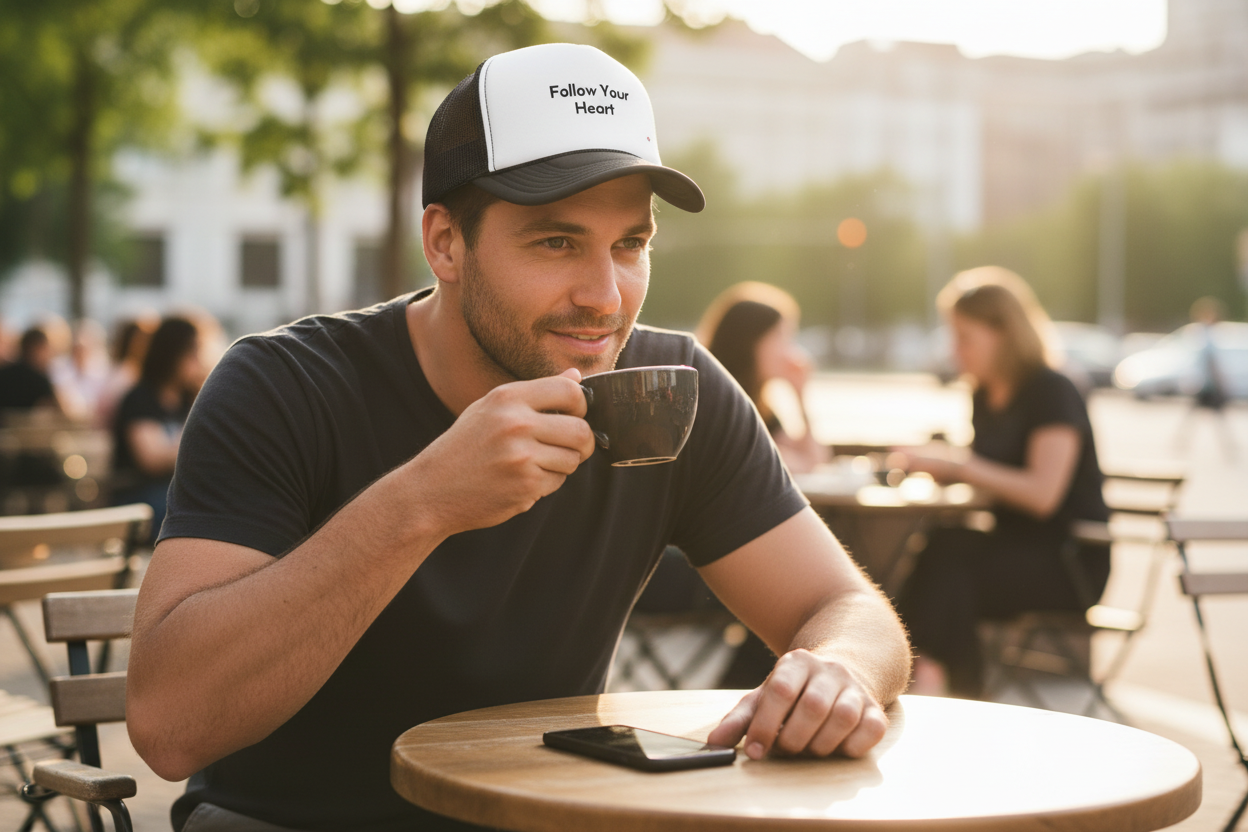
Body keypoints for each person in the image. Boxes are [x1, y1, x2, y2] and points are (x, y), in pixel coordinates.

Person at [126, 44, 910, 832]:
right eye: (556, 243)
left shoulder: (670, 388)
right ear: (445, 243)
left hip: (540, 818)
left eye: (630, 245)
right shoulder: (284, 385)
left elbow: (847, 606)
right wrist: (423, 500)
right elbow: (170, 725)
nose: (605, 297)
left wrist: (836, 670)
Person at [893, 266, 1110, 699]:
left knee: (950, 563)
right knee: (943, 549)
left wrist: (959, 466)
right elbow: (991, 481)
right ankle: (946, 681)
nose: (957, 352)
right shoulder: (983, 395)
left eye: (965, 338)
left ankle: (934, 679)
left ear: (1004, 334)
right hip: (1008, 549)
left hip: (1067, 559)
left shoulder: (1052, 391)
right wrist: (938, 469)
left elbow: (1042, 496)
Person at [698, 282, 829, 474]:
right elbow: (803, 466)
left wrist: (800, 396)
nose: (789, 351)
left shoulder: (759, 404)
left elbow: (816, 461)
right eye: (781, 337)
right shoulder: (717, 400)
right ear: (749, 341)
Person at [110, 316, 207, 542]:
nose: (199, 360)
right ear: (172, 353)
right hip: (139, 495)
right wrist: (202, 443)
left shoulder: (189, 399)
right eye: (193, 352)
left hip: (174, 493)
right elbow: (151, 460)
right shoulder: (139, 398)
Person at [0, 326, 63, 414]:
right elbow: (62, 411)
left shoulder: (3, 373)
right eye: (46, 348)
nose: (49, 354)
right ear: (36, 349)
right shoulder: (39, 379)